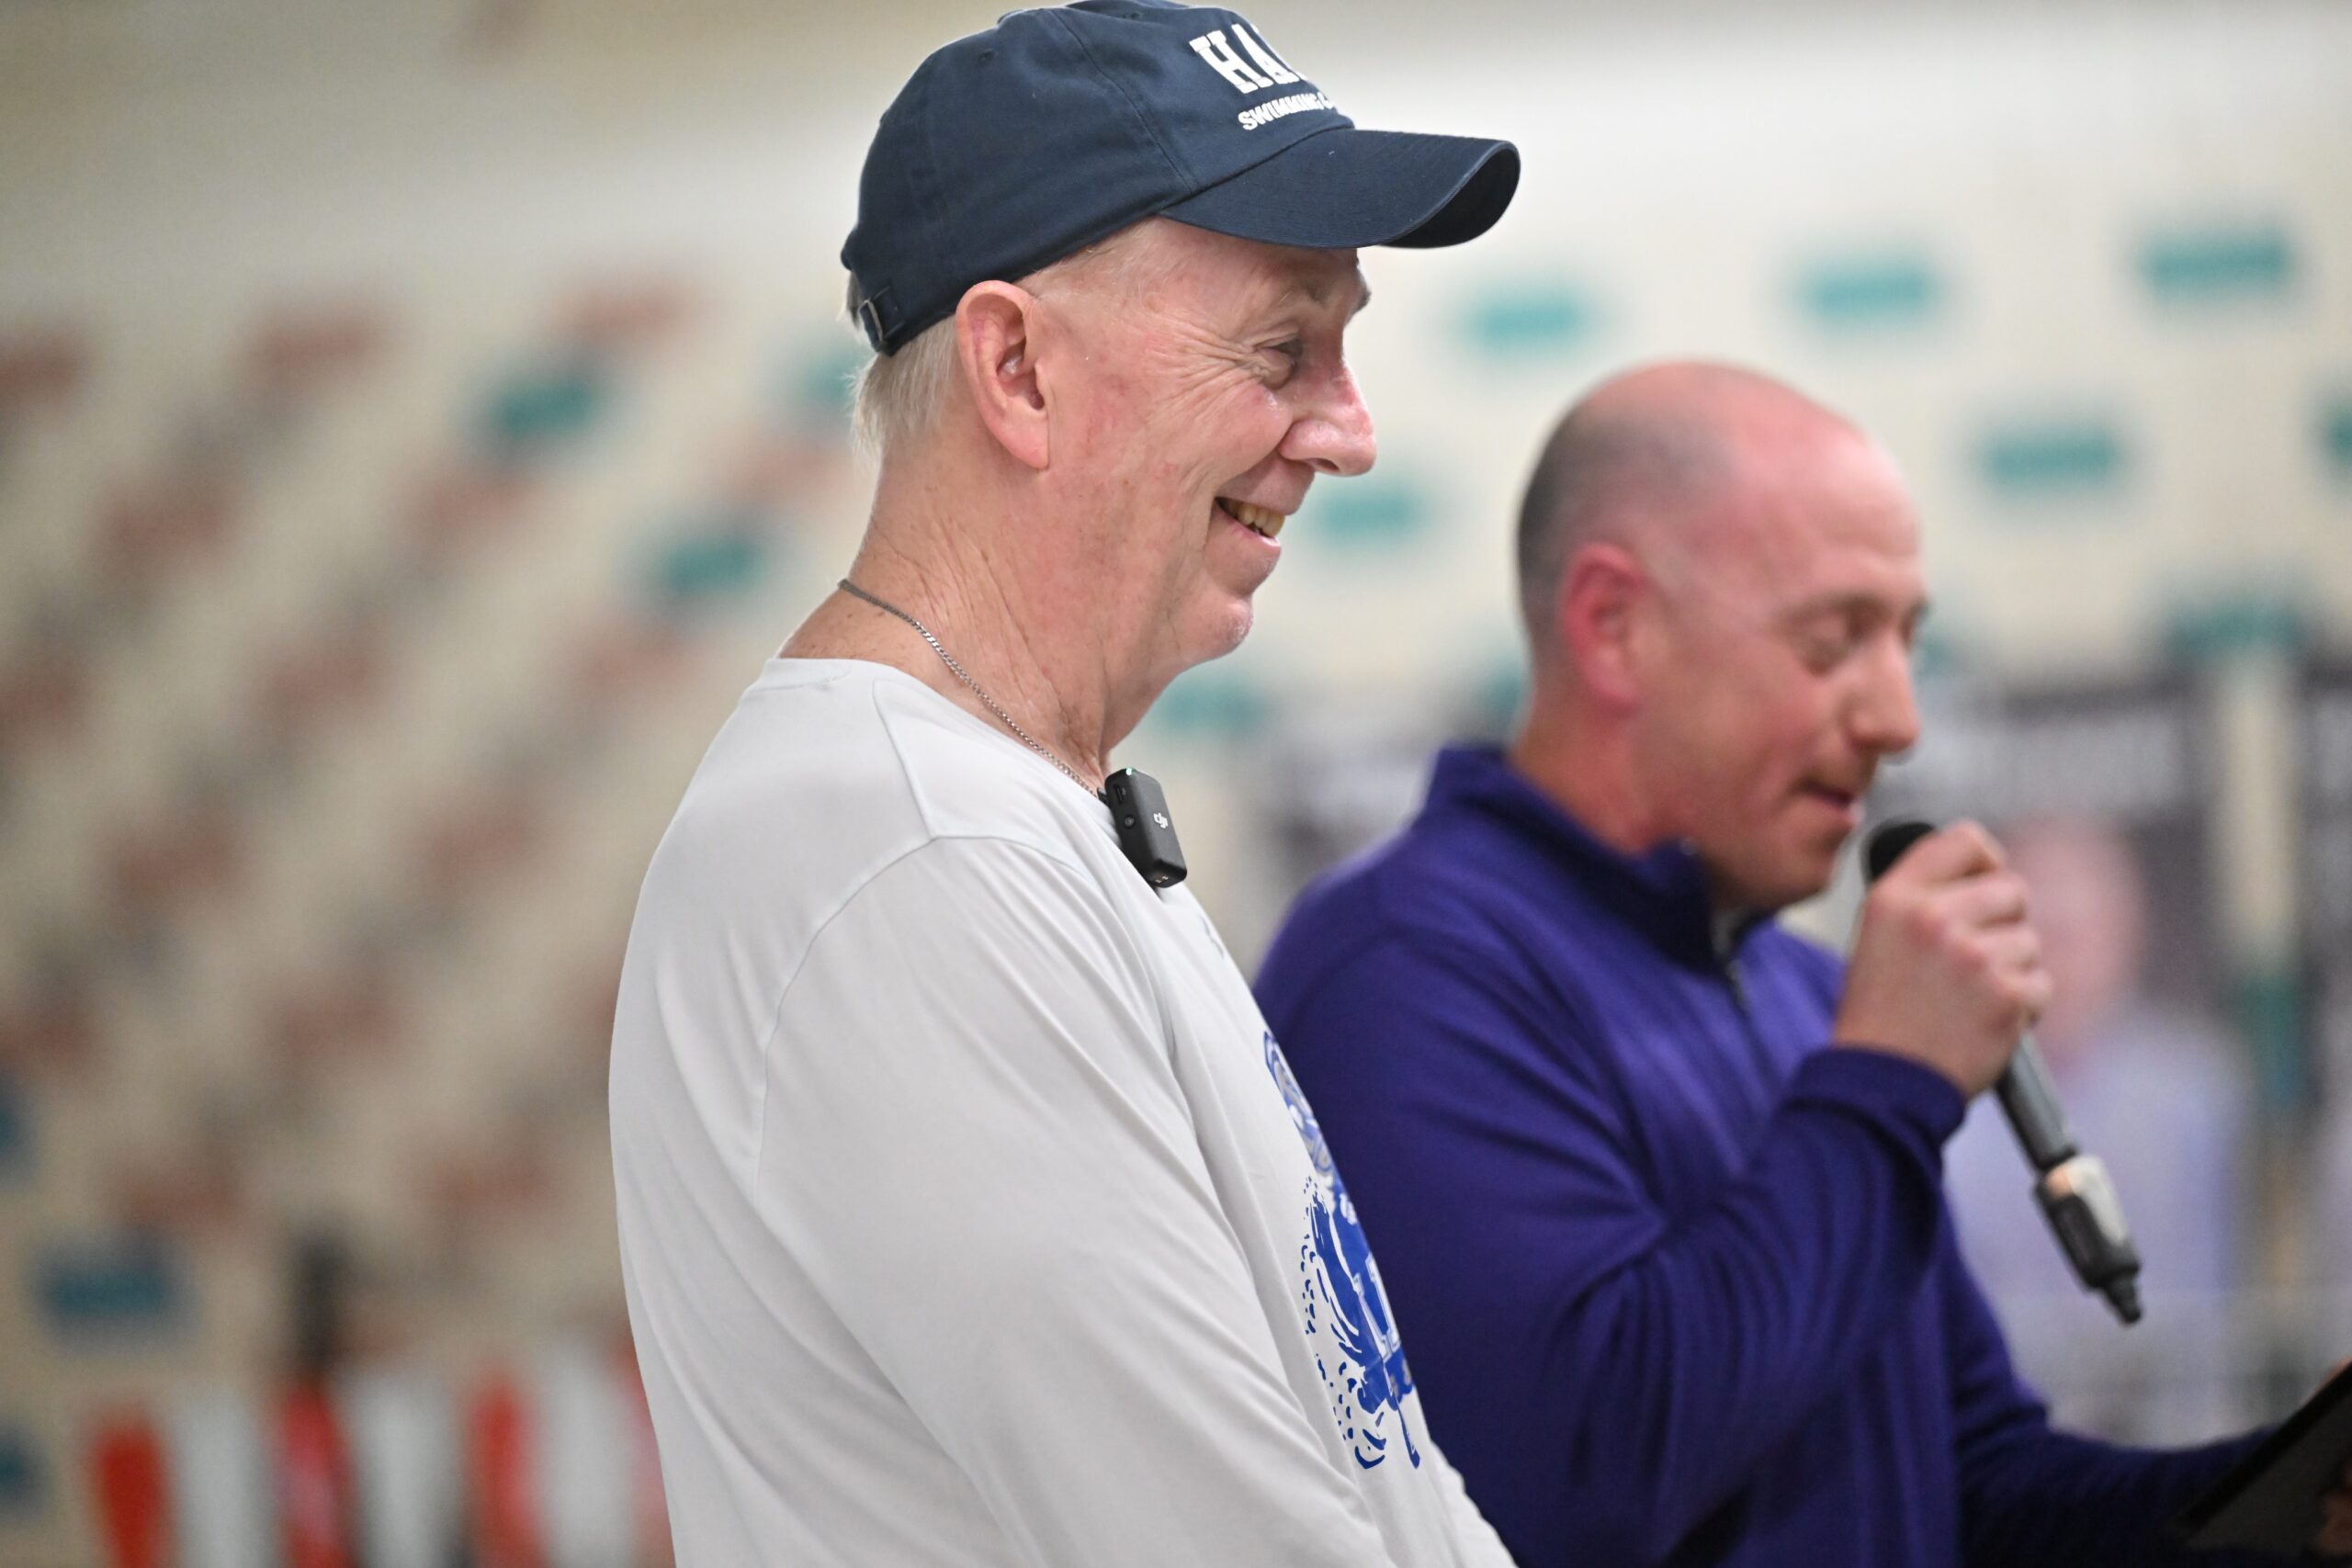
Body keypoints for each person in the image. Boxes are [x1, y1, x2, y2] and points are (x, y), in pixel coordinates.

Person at [607, 4, 1523, 1563]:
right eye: (1281, 347)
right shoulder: (912, 860)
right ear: (1018, 368)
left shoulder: (1000, 808)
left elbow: (1381, 1477)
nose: (1352, 432)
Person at [1256, 362, 2352, 1567]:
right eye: (1834, 642)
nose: (1897, 717)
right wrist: (1888, 1082)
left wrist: (2290, 1492)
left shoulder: (1809, 998)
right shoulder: (1404, 974)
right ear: (1613, 625)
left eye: (1907, 642)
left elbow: (1971, 1486)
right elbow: (1575, 1478)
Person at [1943, 814, 2254, 1442]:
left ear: (2127, 929)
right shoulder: (1949, 1102)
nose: (2060, 956)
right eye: (2040, 930)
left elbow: (2215, 1298)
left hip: (2176, 1432)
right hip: (2004, 1437)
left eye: (2078, 929)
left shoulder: (2195, 1089)